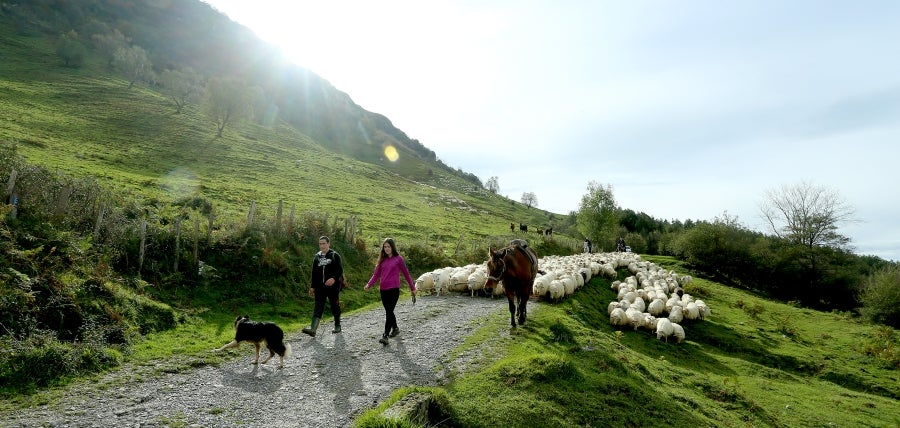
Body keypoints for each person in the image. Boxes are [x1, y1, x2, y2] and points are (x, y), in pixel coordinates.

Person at [364, 238, 417, 345]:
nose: (387, 249)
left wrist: (412, 287)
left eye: (388, 246)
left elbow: (406, 273)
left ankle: (385, 335)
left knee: (389, 312)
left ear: (393, 247)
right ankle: (395, 328)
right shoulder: (382, 260)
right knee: (389, 311)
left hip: (394, 289)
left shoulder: (398, 259)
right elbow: (376, 274)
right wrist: (369, 284)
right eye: (385, 247)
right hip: (383, 290)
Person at [302, 236, 344, 337]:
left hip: (333, 287)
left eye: (324, 243)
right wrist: (312, 287)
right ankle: (313, 329)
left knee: (334, 305)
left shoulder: (334, 255)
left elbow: (340, 270)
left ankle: (337, 325)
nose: (322, 246)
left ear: (328, 244)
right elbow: (314, 273)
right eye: (320, 244)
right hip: (320, 288)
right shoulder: (317, 257)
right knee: (318, 306)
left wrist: (333, 279)